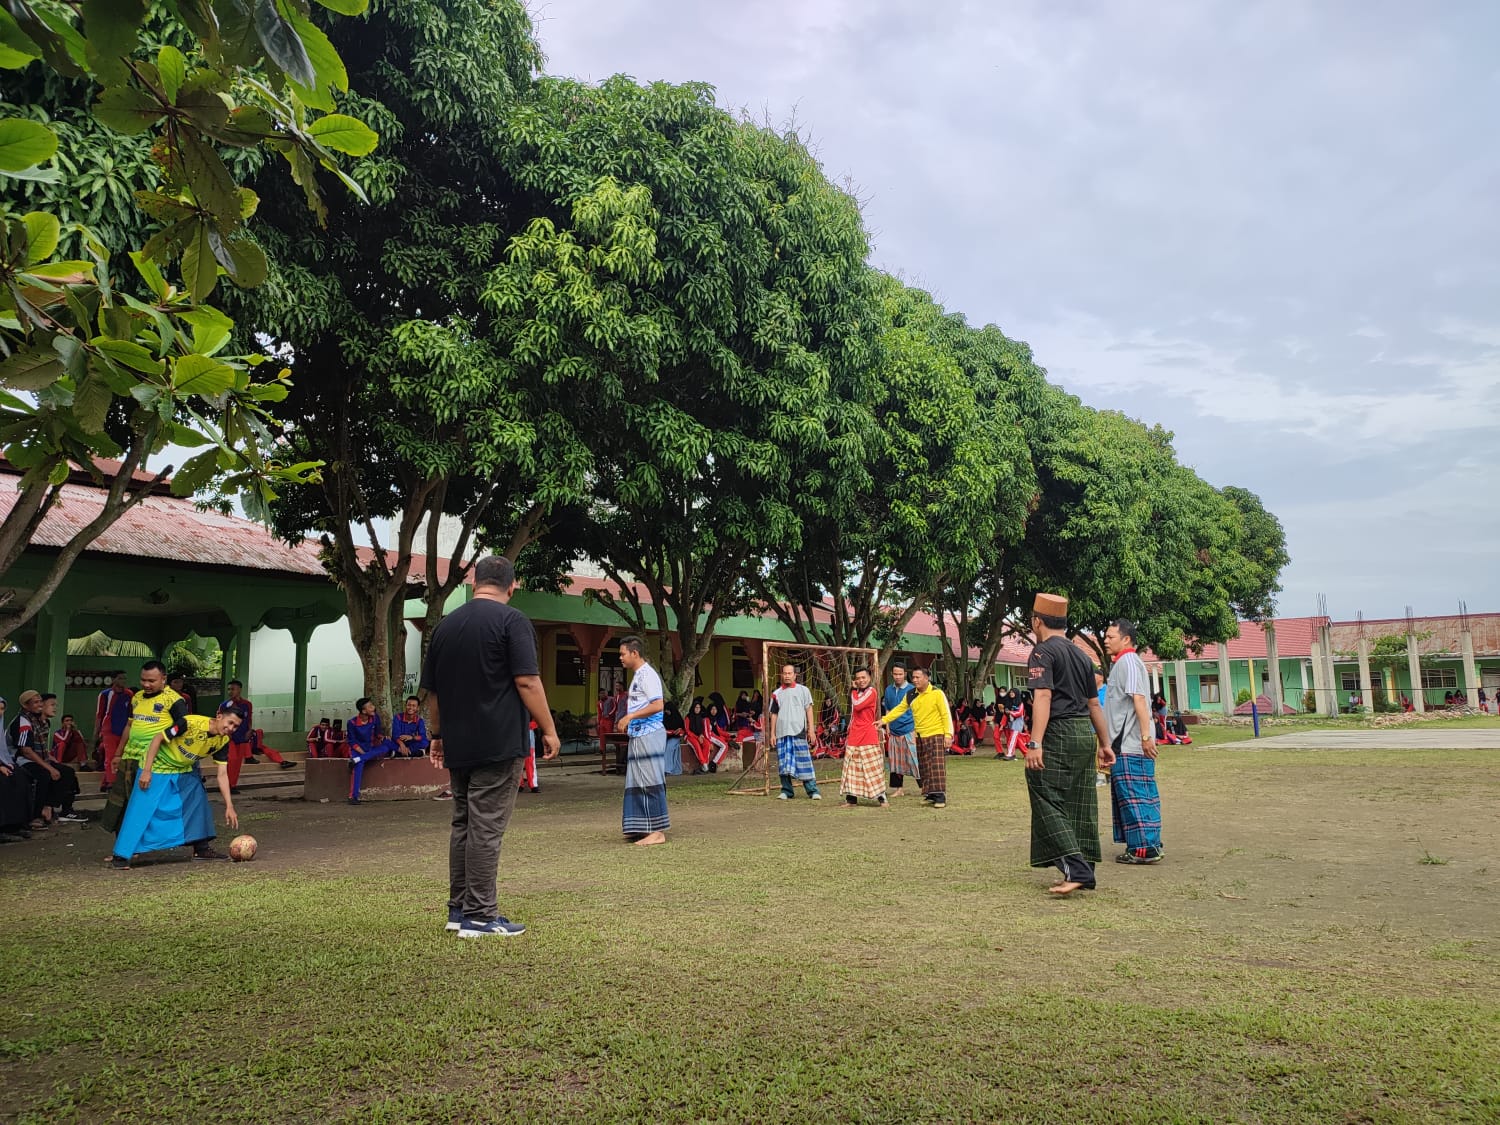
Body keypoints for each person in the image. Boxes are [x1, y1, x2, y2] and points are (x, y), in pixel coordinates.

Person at [422, 555, 560, 938]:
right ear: (512, 586)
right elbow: (527, 681)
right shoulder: (512, 621)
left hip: (459, 743)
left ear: (474, 581)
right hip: (499, 741)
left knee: (463, 821)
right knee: (486, 826)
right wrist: (549, 729)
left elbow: (433, 694)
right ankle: (481, 915)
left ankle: (459, 909)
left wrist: (438, 736)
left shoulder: (446, 626)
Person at [1023, 593, 1114, 896]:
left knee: (1044, 791)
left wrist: (1035, 742)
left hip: (1058, 731)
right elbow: (1093, 704)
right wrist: (1105, 743)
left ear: (1037, 621)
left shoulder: (1042, 652)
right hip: (1083, 733)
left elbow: (1044, 697)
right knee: (1080, 800)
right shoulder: (1082, 656)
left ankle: (1077, 869)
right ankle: (1084, 865)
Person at [110, 705, 244, 869]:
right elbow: (158, 738)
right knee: (141, 809)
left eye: (235, 726)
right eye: (230, 722)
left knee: (197, 799)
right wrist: (146, 771)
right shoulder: (189, 723)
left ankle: (201, 849)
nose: (231, 728)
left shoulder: (223, 741)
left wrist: (229, 806)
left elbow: (222, 774)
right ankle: (121, 856)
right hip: (158, 766)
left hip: (183, 769)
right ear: (219, 716)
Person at [103, 662, 189, 835]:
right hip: (129, 757)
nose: (146, 685)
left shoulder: (174, 700)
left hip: (153, 761)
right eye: (143, 680)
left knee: (143, 804)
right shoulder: (137, 697)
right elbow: (129, 726)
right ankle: (124, 845)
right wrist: (118, 754)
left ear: (163, 679)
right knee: (122, 803)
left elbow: (184, 725)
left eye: (151, 681)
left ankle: (139, 844)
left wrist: (164, 739)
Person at [1104, 619, 1163, 865]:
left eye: (1111, 637)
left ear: (1126, 639)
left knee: (1135, 796)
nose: (1106, 640)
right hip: (1126, 744)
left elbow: (1139, 699)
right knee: (1136, 795)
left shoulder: (1128, 661)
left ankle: (1144, 848)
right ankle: (1144, 843)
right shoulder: (1125, 663)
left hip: (1129, 745)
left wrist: (1145, 736)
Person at [614, 635, 669, 845]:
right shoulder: (638, 675)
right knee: (636, 780)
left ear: (634, 653)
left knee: (650, 780)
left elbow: (658, 705)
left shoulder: (647, 675)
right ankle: (640, 827)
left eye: (622, 653)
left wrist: (630, 717)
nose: (620, 657)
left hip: (649, 733)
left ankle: (657, 831)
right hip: (638, 734)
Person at [878, 667, 953, 808]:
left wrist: (948, 734)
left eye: (918, 677)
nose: (915, 680)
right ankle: (929, 794)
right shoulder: (911, 694)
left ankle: (940, 797)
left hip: (936, 733)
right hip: (919, 735)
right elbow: (900, 708)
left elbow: (945, 714)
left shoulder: (937, 693)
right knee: (924, 767)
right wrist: (884, 720)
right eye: (913, 677)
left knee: (936, 766)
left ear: (926, 678)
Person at [10, 690, 84, 826]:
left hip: (37, 758)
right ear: (26, 706)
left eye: (40, 702)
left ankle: (57, 808)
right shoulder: (24, 722)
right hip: (21, 760)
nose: (40, 705)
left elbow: (41, 748)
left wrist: (51, 760)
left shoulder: (41, 722)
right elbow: (26, 751)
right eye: (36, 702)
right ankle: (36, 815)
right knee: (44, 775)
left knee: (67, 772)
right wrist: (49, 767)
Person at [222, 679, 292, 788]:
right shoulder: (225, 705)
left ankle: (233, 785)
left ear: (239, 690)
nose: (230, 692)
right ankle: (227, 785)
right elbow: (220, 720)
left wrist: (249, 730)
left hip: (243, 738)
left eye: (233, 689)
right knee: (231, 760)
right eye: (229, 689)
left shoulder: (247, 704)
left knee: (238, 763)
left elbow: (248, 718)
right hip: (229, 738)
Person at [769, 664, 821, 800]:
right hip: (782, 732)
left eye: (789, 673)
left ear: (794, 675)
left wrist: (811, 729)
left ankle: (812, 790)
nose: (787, 676)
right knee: (784, 763)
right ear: (782, 675)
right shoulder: (776, 693)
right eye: (785, 673)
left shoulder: (803, 690)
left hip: (798, 731)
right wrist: (773, 733)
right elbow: (774, 714)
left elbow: (808, 709)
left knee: (804, 761)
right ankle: (786, 791)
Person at [839, 667, 887, 809]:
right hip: (854, 734)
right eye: (858, 678)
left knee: (873, 767)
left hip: (868, 734)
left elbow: (858, 705)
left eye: (863, 677)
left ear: (869, 678)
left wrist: (853, 691)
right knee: (851, 768)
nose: (861, 681)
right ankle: (851, 799)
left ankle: (882, 798)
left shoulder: (871, 692)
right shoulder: (857, 693)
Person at [346, 697, 398, 804]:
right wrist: (363, 754)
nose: (373, 707)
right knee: (358, 767)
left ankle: (357, 759)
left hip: (371, 748)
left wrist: (382, 737)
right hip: (358, 750)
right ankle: (353, 797)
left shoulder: (375, 718)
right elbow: (351, 741)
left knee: (386, 747)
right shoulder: (352, 723)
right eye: (370, 706)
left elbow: (377, 733)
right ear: (363, 711)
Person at [882, 663, 919, 796]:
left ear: (905, 674)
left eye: (900, 674)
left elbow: (917, 711)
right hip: (894, 730)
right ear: (892, 674)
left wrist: (916, 730)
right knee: (895, 761)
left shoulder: (912, 690)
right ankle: (899, 789)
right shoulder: (888, 690)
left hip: (909, 729)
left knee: (915, 759)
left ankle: (925, 787)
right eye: (895, 674)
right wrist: (887, 725)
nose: (897, 677)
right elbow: (888, 708)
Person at [92, 672, 133, 792]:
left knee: (121, 755)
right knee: (110, 756)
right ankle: (111, 783)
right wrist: (97, 732)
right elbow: (100, 714)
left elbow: (131, 713)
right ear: (113, 680)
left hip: (124, 728)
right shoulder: (105, 694)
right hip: (108, 728)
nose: (123, 681)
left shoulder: (129, 694)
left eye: (124, 678)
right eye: (120, 678)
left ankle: (105, 782)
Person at [683, 699, 715, 775]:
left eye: (699, 708)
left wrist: (701, 735)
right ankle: (704, 764)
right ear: (693, 708)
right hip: (689, 736)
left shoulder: (700, 717)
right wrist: (697, 737)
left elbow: (702, 729)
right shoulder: (688, 717)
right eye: (696, 707)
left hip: (699, 736)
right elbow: (687, 731)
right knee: (697, 746)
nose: (697, 709)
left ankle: (704, 765)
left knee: (706, 744)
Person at [662, 699, 686, 776]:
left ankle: (667, 769)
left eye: (668, 710)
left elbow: (682, 728)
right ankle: (676, 770)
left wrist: (679, 729)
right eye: (666, 710)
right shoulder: (664, 717)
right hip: (666, 737)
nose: (667, 712)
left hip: (675, 737)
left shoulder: (677, 717)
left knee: (669, 747)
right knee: (672, 749)